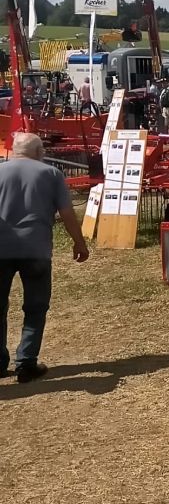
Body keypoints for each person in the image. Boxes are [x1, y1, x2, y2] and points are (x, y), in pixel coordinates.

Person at [0, 133, 88, 383]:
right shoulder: (51, 174)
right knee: (35, 307)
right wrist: (79, 243)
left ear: (13, 150)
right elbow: (67, 212)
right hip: (35, 248)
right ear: (39, 152)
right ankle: (26, 363)